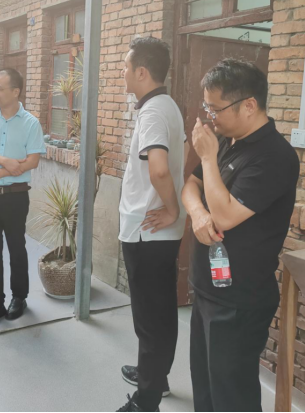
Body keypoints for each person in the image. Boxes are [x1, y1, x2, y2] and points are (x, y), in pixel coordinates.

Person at [182, 59, 300, 412]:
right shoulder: (226, 140)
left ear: (249, 105)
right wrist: (198, 213)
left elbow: (226, 215)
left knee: (232, 398)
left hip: (239, 299)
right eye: (206, 107)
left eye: (215, 108)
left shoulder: (275, 156)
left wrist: (208, 159)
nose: (209, 117)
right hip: (208, 287)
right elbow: (190, 186)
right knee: (205, 390)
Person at [117, 37, 188, 413]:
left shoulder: (152, 113)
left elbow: (159, 168)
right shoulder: (167, 105)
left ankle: (146, 401)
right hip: (156, 230)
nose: (123, 73)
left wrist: (172, 208)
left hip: (148, 231)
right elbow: (182, 155)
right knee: (161, 311)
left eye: (126, 67)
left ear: (142, 72)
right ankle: (155, 376)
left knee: (149, 318)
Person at [0, 69, 46, 330]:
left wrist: (0, 173)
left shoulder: (31, 124)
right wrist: (5, 161)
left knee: (16, 248)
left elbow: (32, 161)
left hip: (15, 196)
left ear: (16, 91)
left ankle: (19, 298)